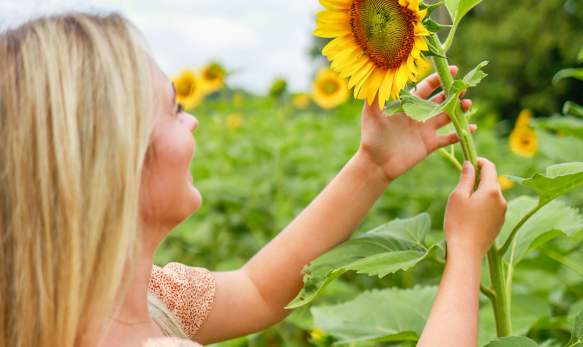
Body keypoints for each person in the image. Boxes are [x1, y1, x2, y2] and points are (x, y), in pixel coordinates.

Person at [0, 11, 505, 347]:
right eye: (175, 110)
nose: (192, 120)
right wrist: (465, 256)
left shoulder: (123, 302)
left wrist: (372, 166)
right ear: (117, 161)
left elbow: (259, 291)